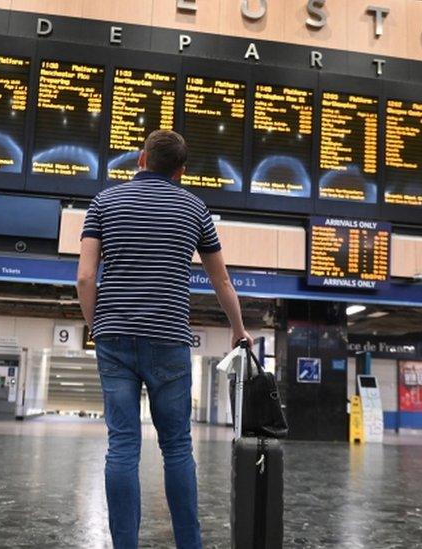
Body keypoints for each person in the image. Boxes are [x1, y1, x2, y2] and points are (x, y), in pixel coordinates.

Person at [77, 129, 252, 549]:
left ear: (141, 159)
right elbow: (221, 279)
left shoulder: (103, 202)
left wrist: (96, 325)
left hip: (114, 337)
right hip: (169, 339)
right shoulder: (194, 208)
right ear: (180, 171)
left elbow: (85, 277)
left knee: (121, 446)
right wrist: (238, 330)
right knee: (176, 448)